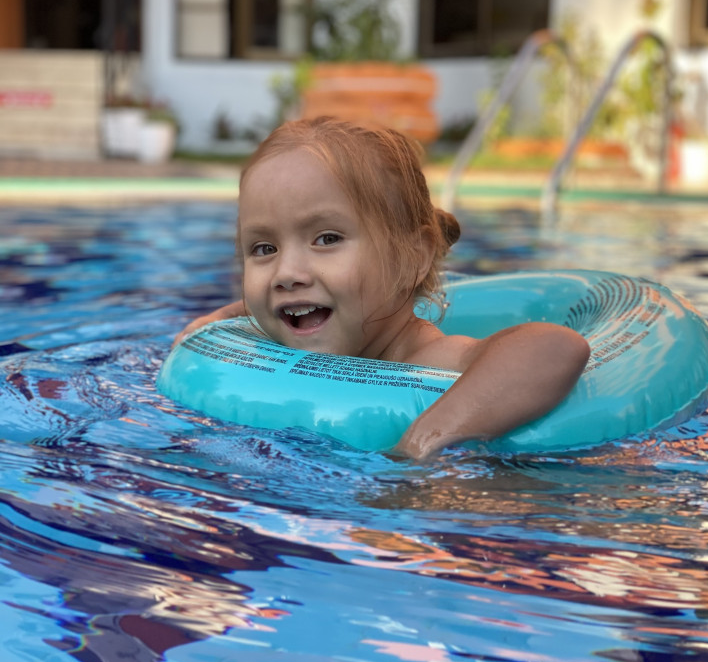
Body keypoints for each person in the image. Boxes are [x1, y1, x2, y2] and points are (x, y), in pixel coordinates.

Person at [175, 117, 590, 459]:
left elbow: (555, 346)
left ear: (414, 257)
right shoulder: (295, 323)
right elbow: (267, 304)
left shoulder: (434, 360)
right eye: (264, 248)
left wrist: (422, 443)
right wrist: (222, 316)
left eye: (327, 239)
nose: (286, 273)